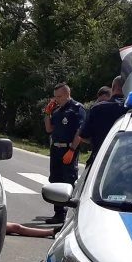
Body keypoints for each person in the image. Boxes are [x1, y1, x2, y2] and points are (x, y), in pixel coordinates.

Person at [44, 83, 85, 224]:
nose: (56, 100)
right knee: (55, 181)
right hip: (56, 149)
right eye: (55, 97)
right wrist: (47, 113)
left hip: (68, 149)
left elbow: (80, 131)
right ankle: (58, 214)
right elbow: (49, 129)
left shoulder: (77, 109)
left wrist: (72, 150)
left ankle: (68, 215)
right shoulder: (56, 110)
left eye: (59, 97)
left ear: (67, 94)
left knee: (68, 181)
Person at [71, 75, 127, 165]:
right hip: (125, 163)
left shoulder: (98, 108)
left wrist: (96, 139)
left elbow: (83, 135)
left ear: (113, 88)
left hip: (99, 161)